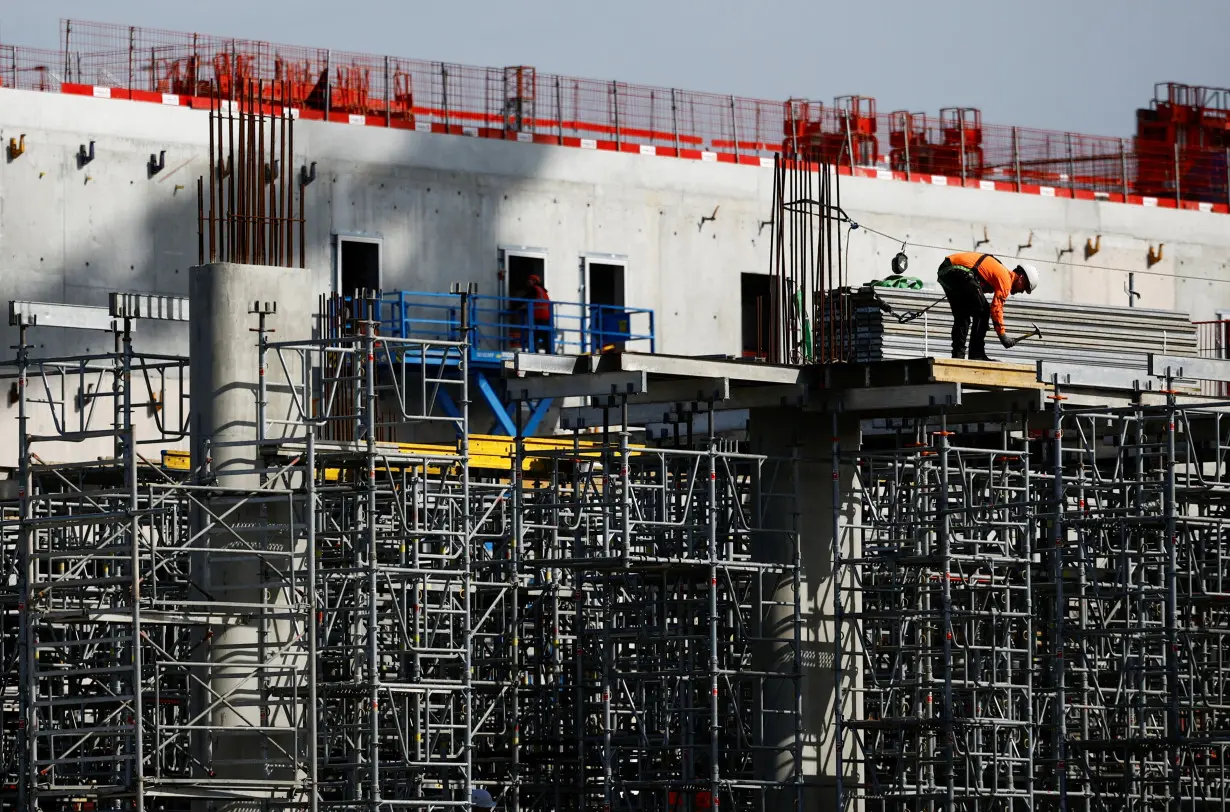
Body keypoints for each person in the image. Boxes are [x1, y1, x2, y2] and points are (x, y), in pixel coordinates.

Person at [937, 252, 1039, 361]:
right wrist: (1002, 336)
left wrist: (983, 325)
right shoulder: (1006, 280)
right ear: (1021, 277)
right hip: (959, 270)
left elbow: (975, 292)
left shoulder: (998, 274)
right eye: (1025, 287)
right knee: (983, 311)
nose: (1022, 291)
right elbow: (996, 308)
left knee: (963, 316)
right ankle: (976, 354)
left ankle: (958, 356)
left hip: (946, 270)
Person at [523, 274, 553, 353]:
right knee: (545, 338)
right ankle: (549, 353)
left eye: (529, 280)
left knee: (534, 337)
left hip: (539, 317)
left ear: (534, 281)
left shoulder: (535, 290)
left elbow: (524, 299)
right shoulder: (543, 291)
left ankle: (534, 352)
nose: (528, 282)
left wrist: (512, 307)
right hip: (546, 318)